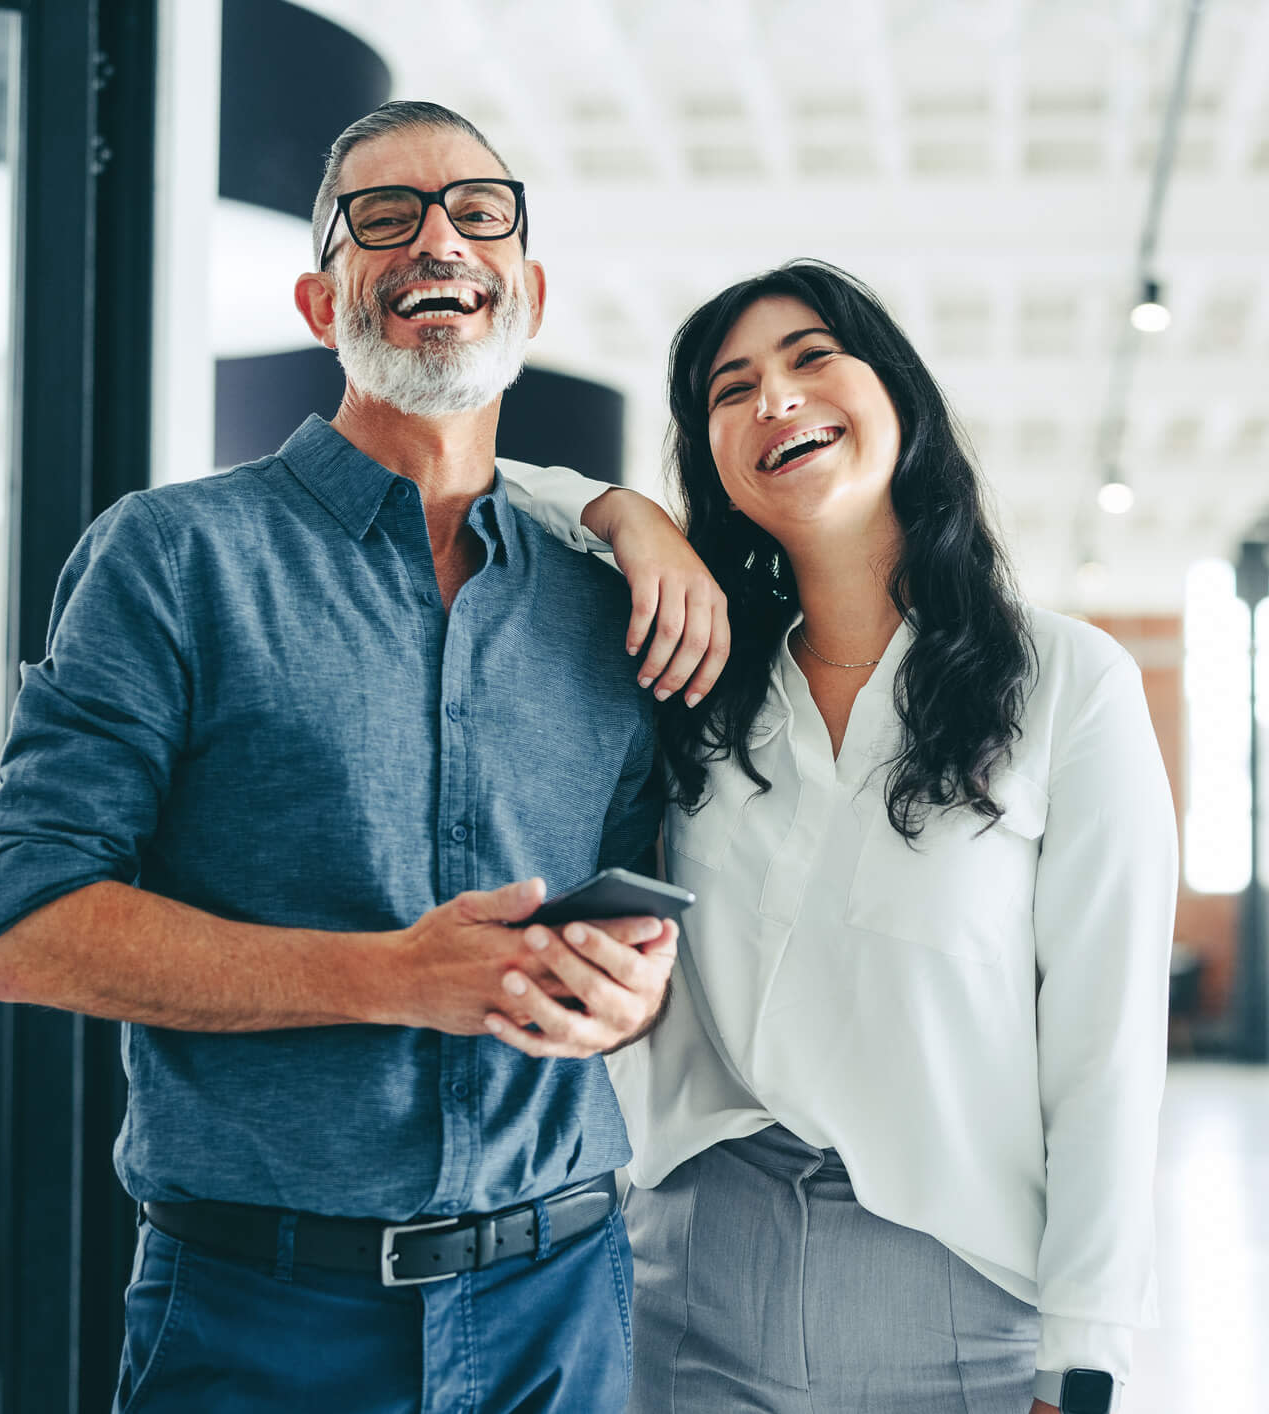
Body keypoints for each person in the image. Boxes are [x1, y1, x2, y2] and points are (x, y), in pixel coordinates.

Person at [0, 101, 728, 1414]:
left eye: (480, 213)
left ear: (526, 290)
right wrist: (394, 977)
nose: (439, 240)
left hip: (562, 1305)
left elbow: (645, 897)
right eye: (387, 216)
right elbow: (27, 924)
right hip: (263, 1319)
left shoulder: (611, 602)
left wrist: (624, 995)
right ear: (321, 300)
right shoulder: (175, 558)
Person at [499, 261, 1180, 1414]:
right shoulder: (698, 686)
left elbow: (1106, 1044)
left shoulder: (1067, 681)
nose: (774, 397)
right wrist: (623, 516)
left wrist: (1084, 1353)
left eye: (811, 358)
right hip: (693, 1265)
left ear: (896, 396)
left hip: (958, 1290)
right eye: (730, 388)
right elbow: (472, 486)